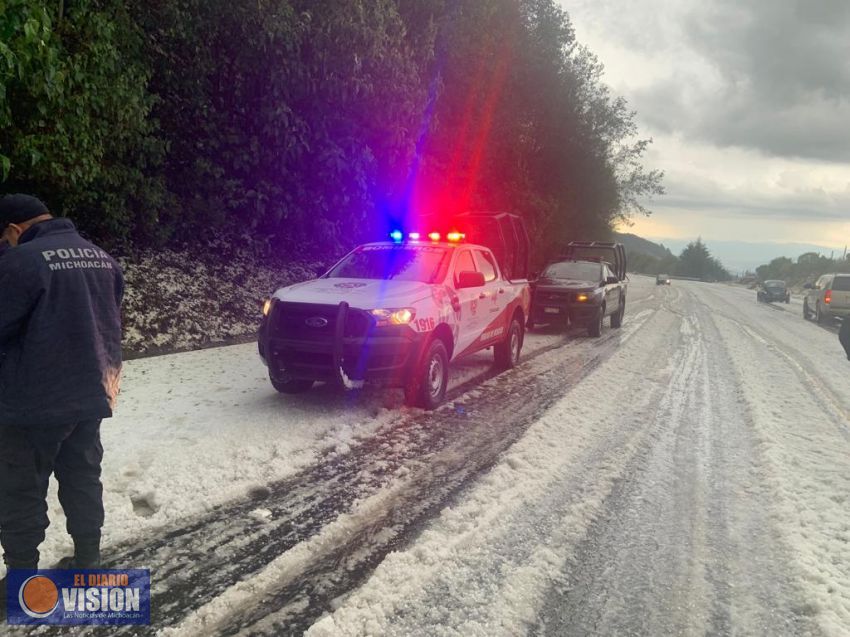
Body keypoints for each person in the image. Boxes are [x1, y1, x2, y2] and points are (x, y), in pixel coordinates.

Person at [0, 194, 123, 591]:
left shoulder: (20, 261)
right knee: (83, 475)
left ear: (14, 229)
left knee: (20, 487)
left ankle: (20, 580)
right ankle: (89, 559)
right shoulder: (102, 257)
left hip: (33, 402)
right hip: (91, 393)